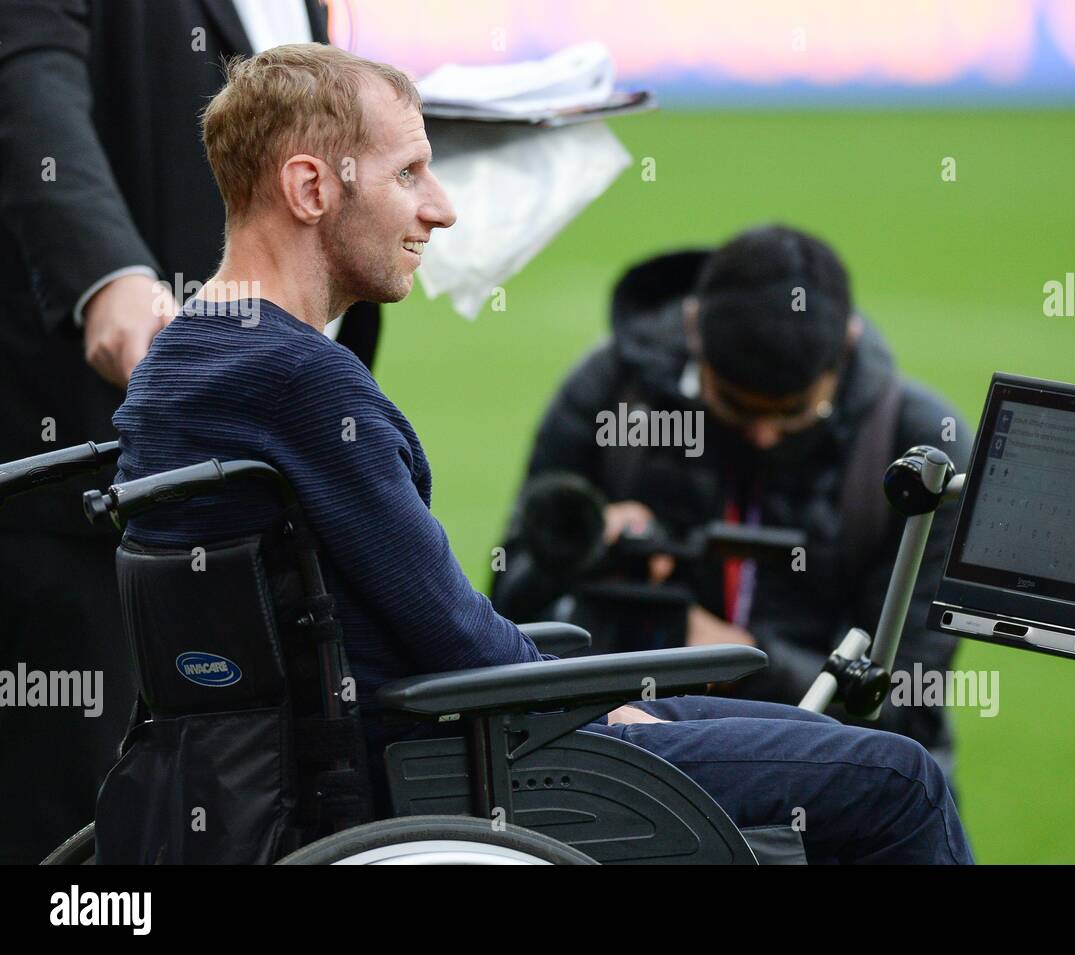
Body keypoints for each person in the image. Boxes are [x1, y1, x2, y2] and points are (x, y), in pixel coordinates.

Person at [112, 43, 973, 864]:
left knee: (824, 742)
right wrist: (598, 704)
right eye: (409, 172)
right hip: (452, 769)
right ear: (309, 187)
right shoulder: (301, 382)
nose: (440, 206)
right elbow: (455, 632)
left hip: (349, 757)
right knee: (902, 778)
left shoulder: (173, 369)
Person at [0, 0, 378, 864]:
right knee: (80, 835)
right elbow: (27, 76)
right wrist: (107, 275)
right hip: (95, 489)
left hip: (258, 484)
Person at [491, 227, 972, 773]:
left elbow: (904, 711)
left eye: (794, 414)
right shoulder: (612, 397)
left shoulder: (919, 457)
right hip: (635, 768)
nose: (764, 435)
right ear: (694, 329)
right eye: (737, 409)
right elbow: (505, 614)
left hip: (832, 777)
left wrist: (739, 661)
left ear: (848, 344)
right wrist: (581, 550)